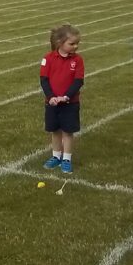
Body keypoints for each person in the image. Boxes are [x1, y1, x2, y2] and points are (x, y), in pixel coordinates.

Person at [39, 24, 84, 173]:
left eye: (77, 43)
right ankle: (56, 156)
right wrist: (51, 97)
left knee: (67, 132)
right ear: (60, 43)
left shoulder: (77, 60)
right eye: (72, 43)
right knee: (55, 131)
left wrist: (66, 97)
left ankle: (66, 159)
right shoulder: (48, 58)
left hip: (70, 103)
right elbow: (44, 80)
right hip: (52, 103)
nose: (75, 46)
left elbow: (78, 81)